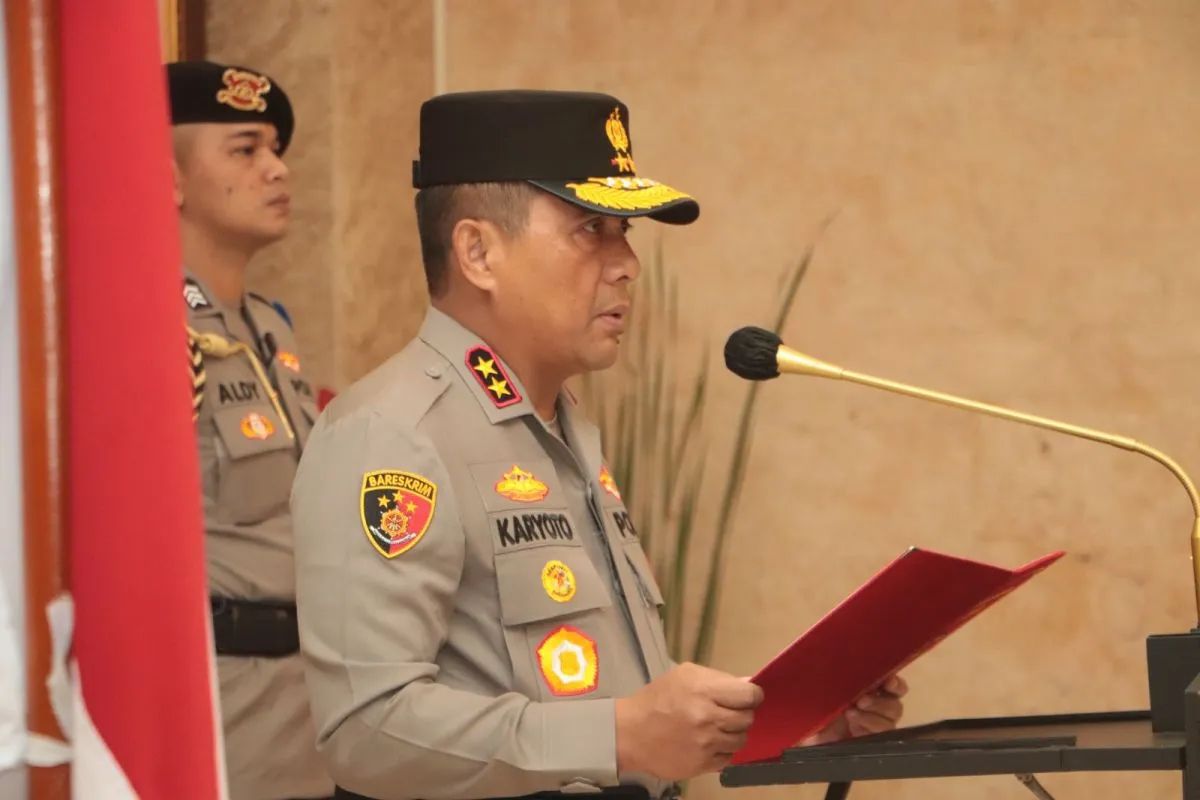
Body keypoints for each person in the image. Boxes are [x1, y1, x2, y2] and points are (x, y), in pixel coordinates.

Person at [290, 90, 906, 800]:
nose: (627, 263)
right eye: (591, 229)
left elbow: (602, 697)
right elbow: (366, 731)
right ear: (478, 252)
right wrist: (619, 735)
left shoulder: (563, 427)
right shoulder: (391, 433)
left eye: (625, 231)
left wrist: (790, 726)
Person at [168, 59, 334, 800]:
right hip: (213, 703)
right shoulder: (144, 332)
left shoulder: (268, 327)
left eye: (275, 148)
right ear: (169, 178)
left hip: (304, 708)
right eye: (245, 149)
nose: (277, 168)